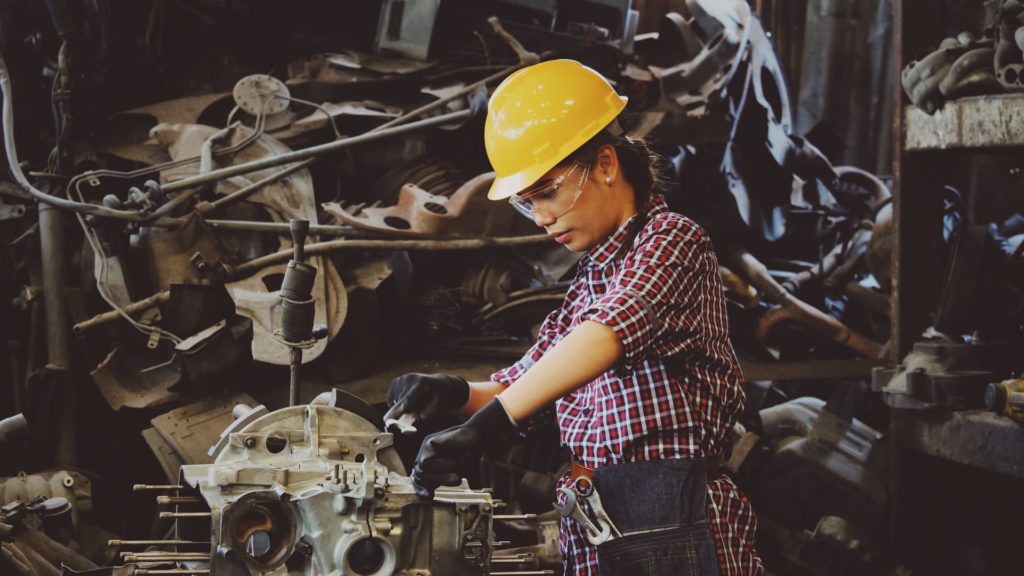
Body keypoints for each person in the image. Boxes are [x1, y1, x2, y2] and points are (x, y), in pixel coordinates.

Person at [384, 59, 764, 576]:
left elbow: (608, 333)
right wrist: (450, 392)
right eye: (526, 203)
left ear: (606, 164)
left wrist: (486, 427)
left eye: (548, 192)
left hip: (670, 518)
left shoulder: (672, 240)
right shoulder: (587, 284)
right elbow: (526, 386)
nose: (541, 218)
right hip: (596, 518)